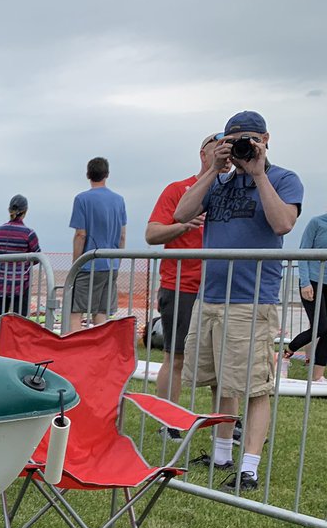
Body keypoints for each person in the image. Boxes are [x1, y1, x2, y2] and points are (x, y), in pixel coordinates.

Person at [174, 110, 303, 492]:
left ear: (266, 138)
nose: (243, 146)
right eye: (234, 140)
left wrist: (259, 172)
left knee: (254, 387)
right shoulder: (219, 182)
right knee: (219, 381)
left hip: (251, 300)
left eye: (249, 139)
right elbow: (182, 214)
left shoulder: (282, 178)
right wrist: (213, 169)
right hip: (210, 298)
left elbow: (282, 224)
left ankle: (248, 467)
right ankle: (220, 454)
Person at [144, 135, 217, 412]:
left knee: (220, 363)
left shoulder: (229, 193)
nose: (224, 158)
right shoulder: (178, 190)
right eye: (217, 151)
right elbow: (152, 234)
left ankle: (223, 426)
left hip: (219, 290)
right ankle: (167, 421)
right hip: (181, 287)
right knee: (175, 357)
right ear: (203, 155)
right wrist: (184, 226)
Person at [69, 157, 126, 324]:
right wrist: (117, 260)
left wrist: (76, 263)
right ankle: (98, 349)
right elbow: (122, 236)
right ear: (107, 174)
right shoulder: (119, 200)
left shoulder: (82, 199)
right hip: (111, 265)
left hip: (88, 266)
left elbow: (81, 234)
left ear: (88, 175)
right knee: (102, 313)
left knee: (75, 312)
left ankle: (75, 348)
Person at [287, 208, 327, 384]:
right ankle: (287, 351)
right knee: (321, 326)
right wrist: (304, 283)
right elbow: (303, 253)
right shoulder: (317, 223)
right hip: (312, 281)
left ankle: (317, 376)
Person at [0, 194, 41, 318]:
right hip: (20, 282)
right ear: (25, 211)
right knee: (20, 320)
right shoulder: (28, 233)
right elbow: (37, 256)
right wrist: (24, 262)